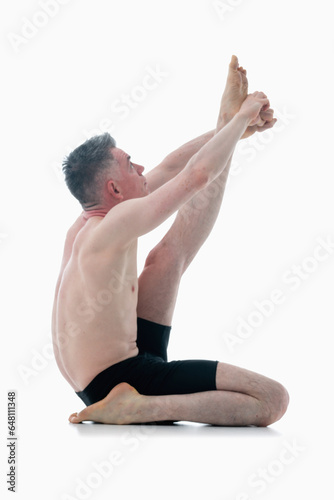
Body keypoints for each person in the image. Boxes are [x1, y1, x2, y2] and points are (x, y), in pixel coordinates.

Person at [52, 55, 289, 426]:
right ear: (113, 188)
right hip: (120, 380)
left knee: (166, 259)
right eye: (130, 164)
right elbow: (196, 176)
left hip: (100, 374)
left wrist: (228, 126)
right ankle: (138, 407)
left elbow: (171, 167)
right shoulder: (113, 224)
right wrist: (245, 115)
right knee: (271, 399)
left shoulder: (86, 224)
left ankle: (130, 400)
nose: (142, 168)